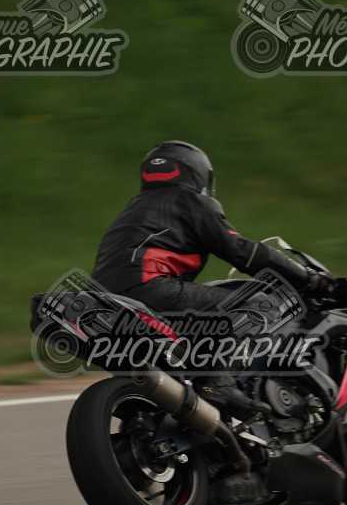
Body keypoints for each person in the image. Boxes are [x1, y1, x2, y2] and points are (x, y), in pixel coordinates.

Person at [92, 140, 333, 414]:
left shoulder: (132, 209)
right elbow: (242, 252)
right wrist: (307, 279)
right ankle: (218, 383)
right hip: (151, 289)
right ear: (197, 173)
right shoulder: (191, 201)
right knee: (258, 304)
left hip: (105, 299)